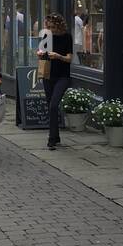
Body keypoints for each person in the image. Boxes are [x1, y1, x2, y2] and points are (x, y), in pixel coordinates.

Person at [40, 13, 74, 150]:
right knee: (50, 106)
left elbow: (69, 58)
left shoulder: (67, 37)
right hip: (48, 74)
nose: (50, 30)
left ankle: (51, 139)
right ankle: (56, 136)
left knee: (54, 105)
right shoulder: (46, 36)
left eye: (52, 27)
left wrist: (58, 56)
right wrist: (40, 53)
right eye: (48, 27)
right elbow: (42, 52)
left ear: (59, 26)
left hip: (63, 76)